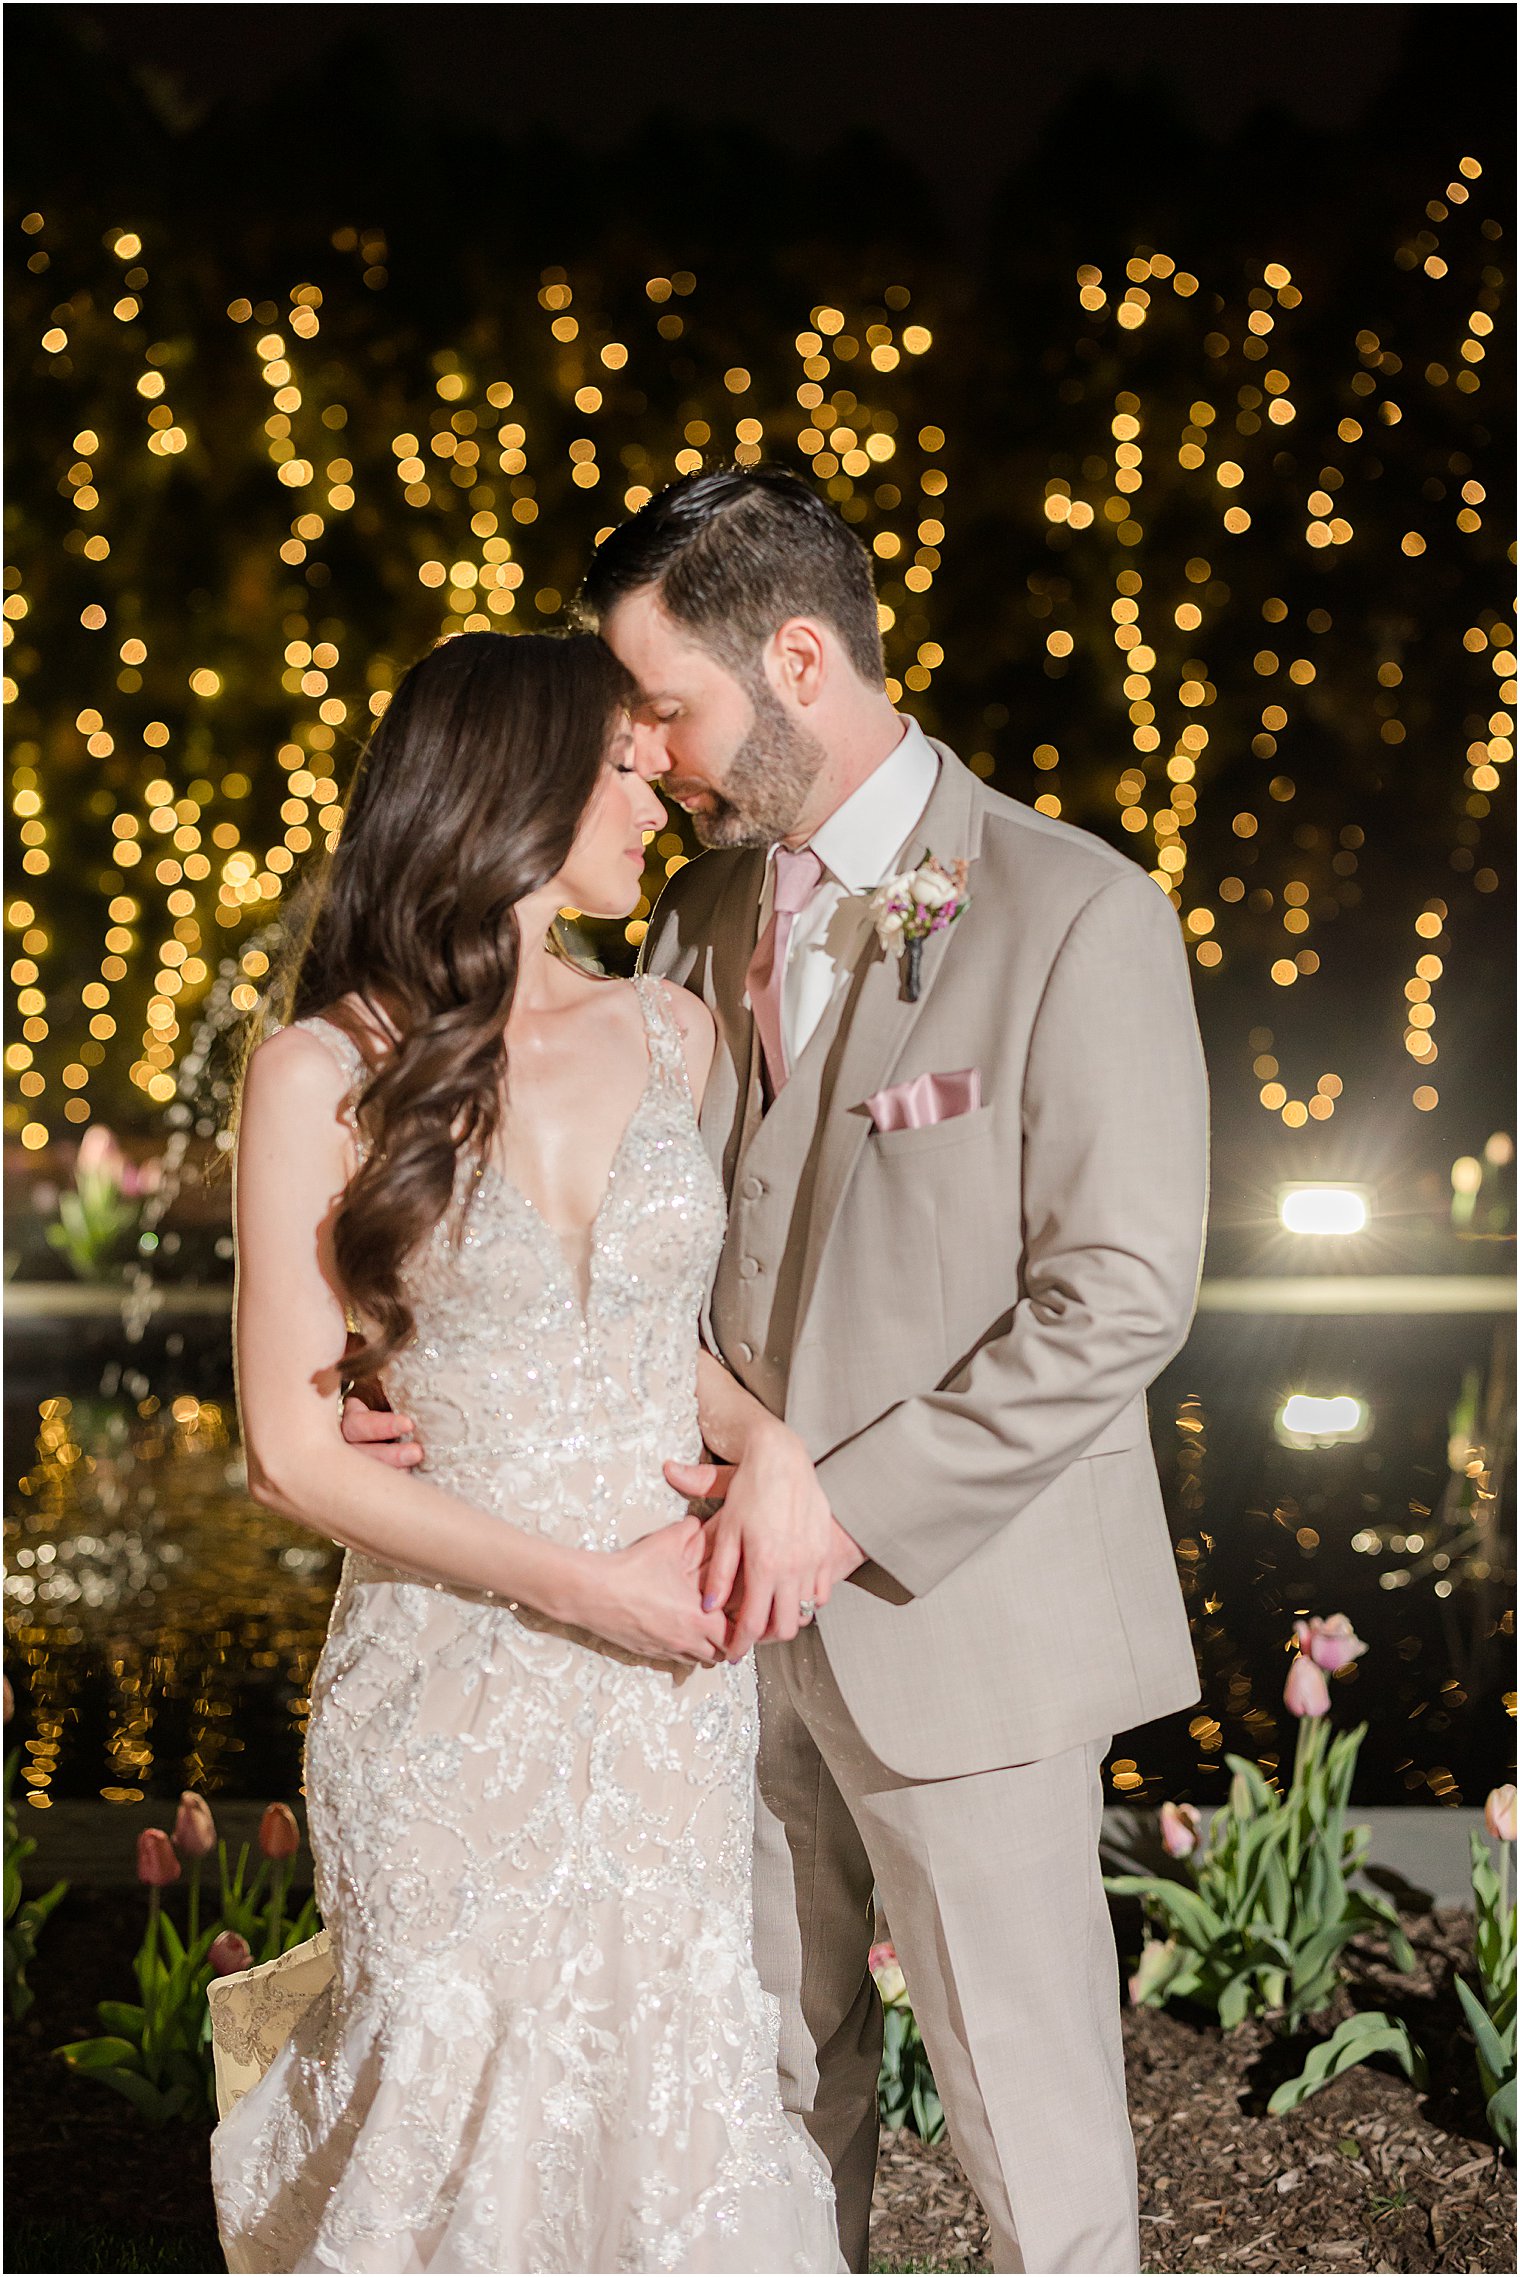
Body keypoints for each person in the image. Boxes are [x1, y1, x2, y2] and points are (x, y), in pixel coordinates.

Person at [351, 468, 1210, 2273]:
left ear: (800, 659)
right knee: (750, 2102)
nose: (646, 752)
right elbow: (613, 1251)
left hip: (954, 1616)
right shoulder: (689, 924)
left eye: (666, 704)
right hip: (699, 1643)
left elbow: (1119, 1292)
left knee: (1028, 2133)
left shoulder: (1074, 911)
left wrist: (849, 1500)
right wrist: (417, 1377)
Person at [209, 628, 842, 2274]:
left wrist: (766, 1442)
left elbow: (663, 1348)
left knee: (672, 2088)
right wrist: (589, 1591)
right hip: (445, 1688)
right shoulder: (319, 1073)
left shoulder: (671, 1034)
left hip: (663, 1711)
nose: (657, 796)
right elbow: (288, 1446)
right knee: (447, 2076)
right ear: (511, 786)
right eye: (623, 768)